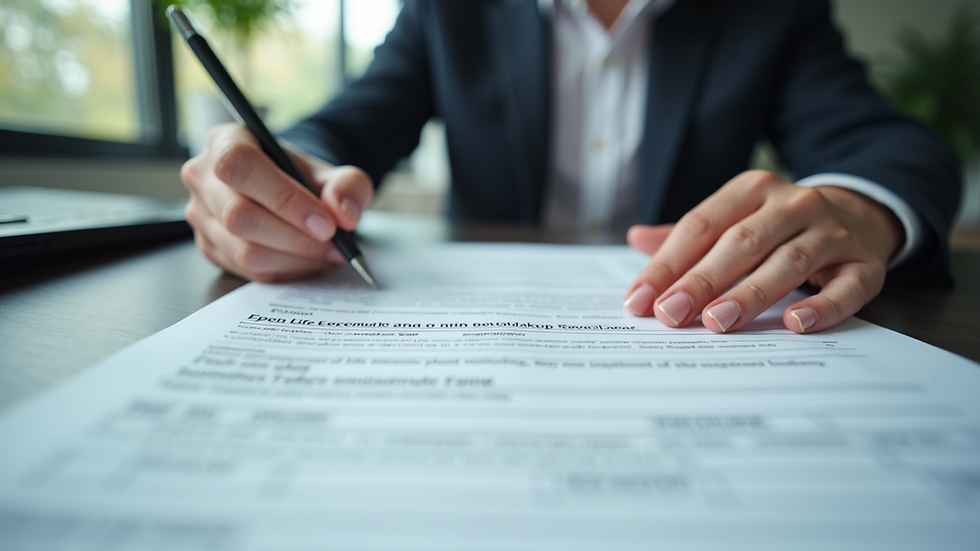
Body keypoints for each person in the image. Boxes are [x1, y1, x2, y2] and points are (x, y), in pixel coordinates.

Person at [179, 0, 961, 334]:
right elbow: (351, 120)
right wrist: (285, 174)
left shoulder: (769, 9)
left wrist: (861, 206)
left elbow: (894, 149)